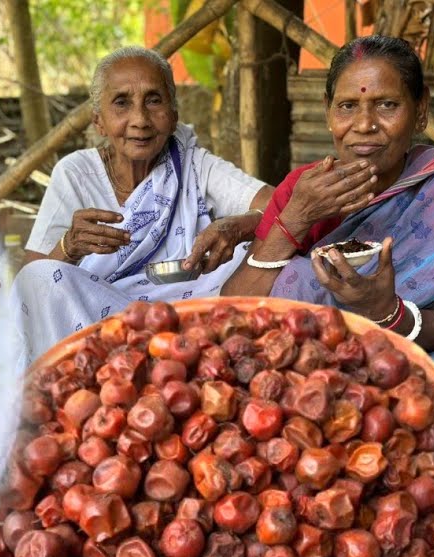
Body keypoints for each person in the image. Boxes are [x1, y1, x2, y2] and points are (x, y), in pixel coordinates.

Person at [221, 35, 434, 451]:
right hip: (324, 393)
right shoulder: (303, 191)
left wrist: (384, 312)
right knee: (298, 275)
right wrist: (295, 220)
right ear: (328, 114)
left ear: (421, 109)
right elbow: (233, 311)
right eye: (347, 106)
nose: (364, 125)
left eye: (387, 105)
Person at [15, 46, 272, 361]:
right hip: (98, 321)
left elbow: (276, 205)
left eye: (153, 100)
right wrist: (69, 247)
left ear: (173, 114)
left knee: (264, 249)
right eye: (121, 103)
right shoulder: (76, 173)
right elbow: (32, 281)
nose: (140, 119)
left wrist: (236, 226)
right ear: (99, 121)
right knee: (39, 279)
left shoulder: (191, 164)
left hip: (184, 319)